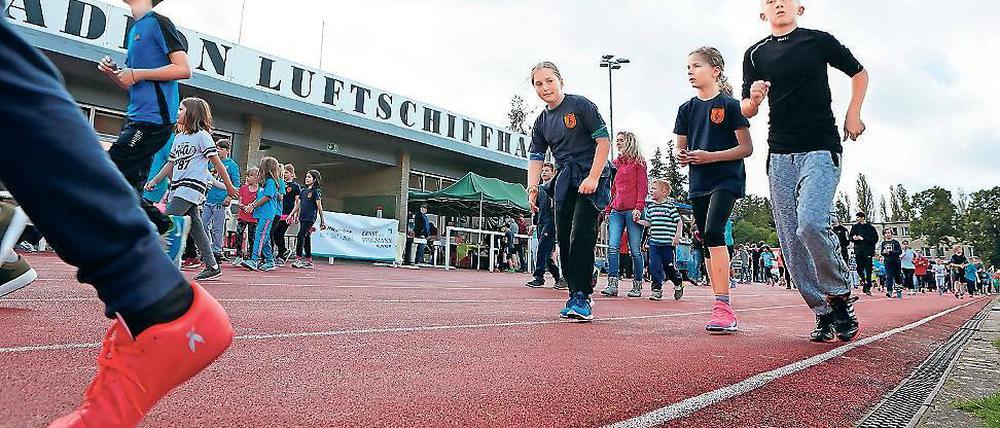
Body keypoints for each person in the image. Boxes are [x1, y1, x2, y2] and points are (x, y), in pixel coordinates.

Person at [0, 12, 234, 425]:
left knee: (162, 204)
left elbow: (184, 69)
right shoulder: (137, 39)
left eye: (185, 110)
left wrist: (229, 189)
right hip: (162, 167)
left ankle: (152, 294)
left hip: (180, 173)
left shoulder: (160, 31)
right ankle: (150, 279)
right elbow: (165, 164)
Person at [742, 0, 869, 342]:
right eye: (769, 1)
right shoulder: (755, 55)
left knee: (811, 224)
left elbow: (859, 72)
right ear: (762, 13)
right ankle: (823, 311)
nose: (778, 3)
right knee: (791, 243)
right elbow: (746, 110)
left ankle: (840, 296)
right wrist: (753, 100)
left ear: (800, 8)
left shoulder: (818, 41)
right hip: (780, 153)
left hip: (820, 146)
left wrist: (853, 113)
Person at [98, 0, 193, 260]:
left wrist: (136, 73)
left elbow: (183, 69)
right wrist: (115, 74)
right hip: (136, 117)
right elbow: (136, 85)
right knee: (126, 188)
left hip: (153, 122)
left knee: (106, 173)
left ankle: (165, 227)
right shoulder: (135, 30)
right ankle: (152, 238)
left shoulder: (158, 23)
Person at [526, 62, 611, 321]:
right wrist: (532, 187)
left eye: (549, 81)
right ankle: (580, 283)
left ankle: (581, 296)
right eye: (539, 84)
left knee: (582, 233)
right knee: (563, 237)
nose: (545, 87)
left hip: (591, 174)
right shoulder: (541, 121)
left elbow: (603, 141)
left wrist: (594, 177)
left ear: (560, 81)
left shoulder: (581, 105)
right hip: (565, 179)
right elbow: (536, 155)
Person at [676, 46, 753, 332]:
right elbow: (680, 149)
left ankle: (724, 305)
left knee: (713, 232)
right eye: (688, 68)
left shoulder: (731, 106)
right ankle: (718, 302)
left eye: (696, 66)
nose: (690, 72)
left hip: (727, 178)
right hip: (699, 182)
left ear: (715, 71)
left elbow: (746, 148)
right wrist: (683, 156)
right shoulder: (686, 109)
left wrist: (710, 156)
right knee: (706, 240)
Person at [145, 97, 237, 281]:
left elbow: (217, 164)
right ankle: (212, 266)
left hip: (191, 187)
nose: (178, 112)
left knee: (166, 222)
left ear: (192, 113)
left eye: (181, 109)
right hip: (178, 188)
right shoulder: (178, 138)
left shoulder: (202, 136)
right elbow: (170, 164)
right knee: (196, 227)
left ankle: (156, 265)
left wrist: (229, 186)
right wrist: (155, 180)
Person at [601, 131, 649, 298]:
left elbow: (642, 187)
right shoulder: (615, 164)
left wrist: (639, 207)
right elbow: (611, 188)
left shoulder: (639, 163)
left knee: (635, 250)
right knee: (613, 246)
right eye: (617, 141)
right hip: (616, 210)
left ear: (629, 141)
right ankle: (612, 284)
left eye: (621, 140)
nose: (618, 143)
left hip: (633, 210)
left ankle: (637, 285)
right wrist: (608, 209)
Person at [642, 180, 685, 301]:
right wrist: (638, 221)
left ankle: (678, 283)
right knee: (654, 265)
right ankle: (656, 289)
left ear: (663, 192)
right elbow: (649, 223)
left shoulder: (670, 207)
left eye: (654, 188)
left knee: (668, 266)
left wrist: (677, 235)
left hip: (667, 243)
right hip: (654, 243)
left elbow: (679, 221)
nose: (651, 191)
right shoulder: (650, 207)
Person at [203, 139, 240, 263]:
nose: (218, 150)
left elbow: (236, 183)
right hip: (209, 198)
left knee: (217, 227)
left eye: (221, 148)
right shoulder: (211, 162)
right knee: (203, 224)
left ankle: (217, 251)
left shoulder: (232, 165)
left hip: (221, 200)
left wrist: (229, 197)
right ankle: (207, 248)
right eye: (217, 148)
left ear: (227, 151)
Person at [526, 163, 562, 288]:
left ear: (553, 173)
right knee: (545, 253)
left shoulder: (555, 188)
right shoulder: (539, 189)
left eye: (547, 170)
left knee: (542, 247)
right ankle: (558, 276)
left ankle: (539, 277)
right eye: (542, 170)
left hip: (551, 221)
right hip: (541, 221)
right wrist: (533, 224)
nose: (544, 172)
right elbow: (535, 208)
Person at [242, 157, 281, 272]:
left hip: (267, 214)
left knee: (260, 236)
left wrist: (253, 206)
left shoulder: (271, 182)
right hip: (261, 214)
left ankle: (254, 259)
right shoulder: (263, 184)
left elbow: (266, 197)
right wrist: (252, 205)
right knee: (266, 237)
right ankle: (269, 261)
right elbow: (260, 197)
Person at [289, 170, 327, 269]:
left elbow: (319, 206)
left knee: (300, 235)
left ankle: (298, 259)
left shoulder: (316, 191)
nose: (306, 178)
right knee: (306, 237)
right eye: (306, 176)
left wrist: (322, 220)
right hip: (302, 217)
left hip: (310, 218)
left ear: (314, 179)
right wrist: (292, 214)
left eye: (309, 177)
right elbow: (298, 204)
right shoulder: (303, 191)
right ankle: (309, 260)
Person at [270, 164, 300, 265]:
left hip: (287, 213)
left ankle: (281, 253)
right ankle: (282, 251)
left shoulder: (295, 186)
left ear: (292, 174)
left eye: (287, 172)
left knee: (278, 233)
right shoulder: (280, 183)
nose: (285, 174)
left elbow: (297, 201)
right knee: (274, 233)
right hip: (278, 212)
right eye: (284, 172)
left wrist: (294, 215)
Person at [231, 167, 260, 267]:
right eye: (247, 176)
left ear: (257, 178)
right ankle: (239, 255)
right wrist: (242, 205)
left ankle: (251, 256)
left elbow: (258, 202)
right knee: (239, 234)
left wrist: (251, 206)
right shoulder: (244, 188)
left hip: (253, 217)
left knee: (252, 237)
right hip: (243, 215)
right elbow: (240, 200)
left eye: (250, 176)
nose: (247, 178)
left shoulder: (260, 190)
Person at [849, 212, 878, 295]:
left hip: (868, 251)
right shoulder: (855, 227)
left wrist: (863, 238)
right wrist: (854, 238)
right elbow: (850, 237)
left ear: (863, 218)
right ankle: (865, 281)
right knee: (859, 269)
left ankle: (868, 286)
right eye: (857, 217)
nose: (857, 219)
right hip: (858, 251)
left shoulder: (870, 227)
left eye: (858, 217)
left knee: (868, 269)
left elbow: (875, 239)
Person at [880, 228, 903, 298]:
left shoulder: (895, 242)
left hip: (896, 261)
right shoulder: (883, 243)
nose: (887, 234)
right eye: (886, 233)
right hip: (888, 261)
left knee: (897, 277)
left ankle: (899, 292)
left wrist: (890, 252)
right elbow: (882, 252)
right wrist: (884, 253)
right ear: (884, 235)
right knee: (889, 277)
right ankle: (889, 291)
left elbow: (899, 252)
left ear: (892, 234)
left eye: (889, 233)